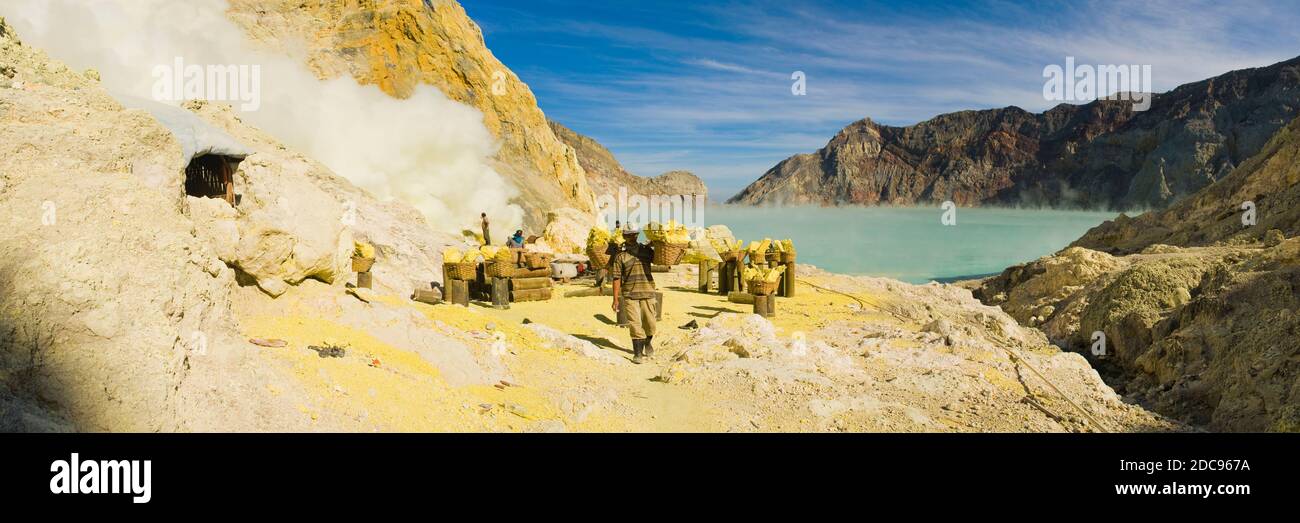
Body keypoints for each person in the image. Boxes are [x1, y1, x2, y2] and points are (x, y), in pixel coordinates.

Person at [610, 225, 657, 364]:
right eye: (629, 235)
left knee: (651, 324)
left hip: (648, 291)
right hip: (629, 294)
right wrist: (615, 299)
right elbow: (616, 278)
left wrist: (657, 244)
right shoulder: (620, 256)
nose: (632, 237)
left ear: (637, 235)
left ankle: (647, 342)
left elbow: (659, 259)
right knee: (635, 325)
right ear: (624, 236)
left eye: (634, 234)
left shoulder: (646, 251)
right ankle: (637, 354)